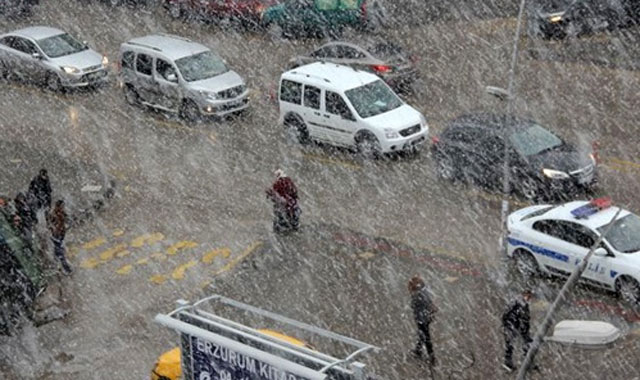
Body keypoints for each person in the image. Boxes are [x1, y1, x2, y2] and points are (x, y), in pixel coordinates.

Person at [501, 289, 535, 372]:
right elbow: (506, 313)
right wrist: (507, 324)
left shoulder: (524, 305)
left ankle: (527, 361)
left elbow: (526, 319)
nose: (528, 298)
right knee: (510, 343)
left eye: (530, 296)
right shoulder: (516, 302)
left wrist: (526, 329)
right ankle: (508, 362)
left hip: (520, 326)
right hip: (512, 325)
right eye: (527, 296)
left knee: (527, 343)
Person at [408, 275, 437, 366]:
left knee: (426, 337)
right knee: (422, 335)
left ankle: (431, 356)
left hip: (422, 319)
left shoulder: (417, 295)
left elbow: (413, 305)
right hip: (426, 318)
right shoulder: (425, 291)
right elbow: (430, 302)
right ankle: (418, 350)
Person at [47, 199, 72, 274]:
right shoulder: (54, 214)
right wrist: (55, 231)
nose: (63, 208)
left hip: (60, 235)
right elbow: (50, 225)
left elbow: (67, 220)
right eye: (62, 206)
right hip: (56, 236)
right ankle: (66, 268)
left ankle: (55, 266)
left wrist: (66, 226)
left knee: (57, 252)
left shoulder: (62, 213)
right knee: (60, 252)